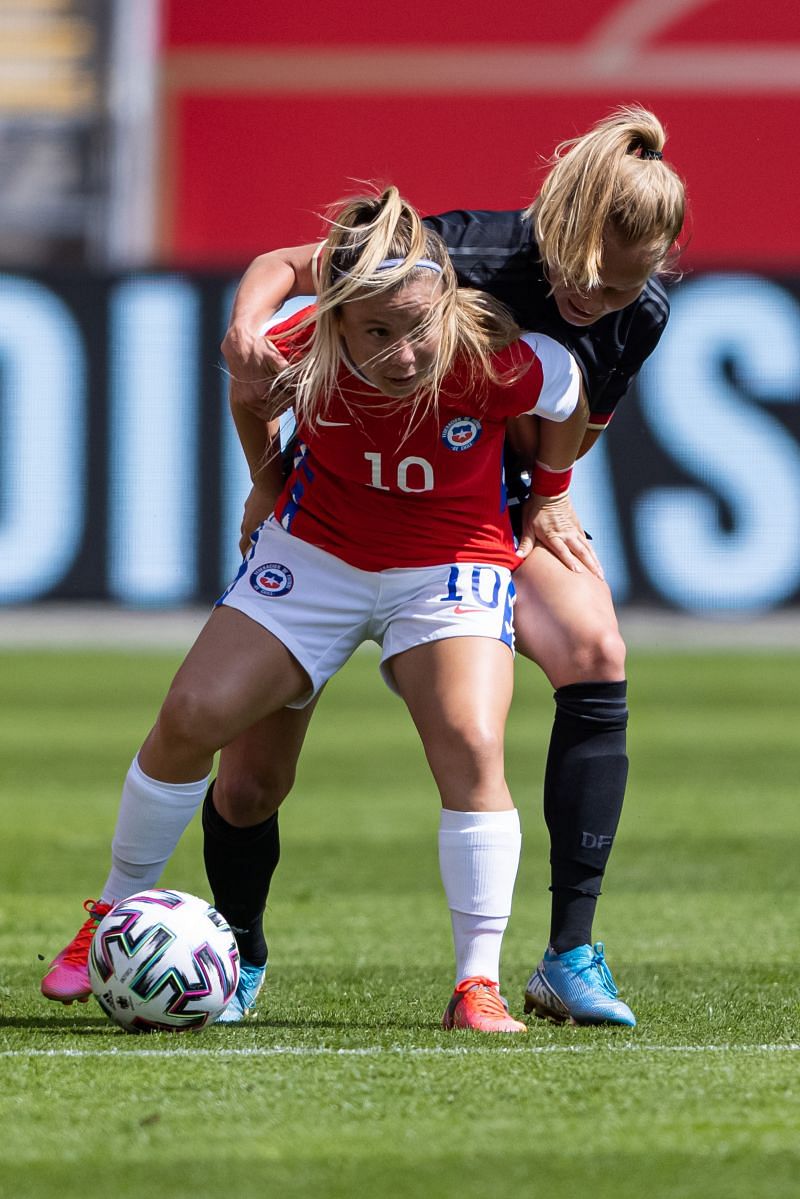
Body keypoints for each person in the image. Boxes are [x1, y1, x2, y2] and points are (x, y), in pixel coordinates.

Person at [41, 186, 596, 1032]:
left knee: (473, 737)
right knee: (204, 728)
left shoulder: (489, 356)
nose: (407, 352)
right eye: (379, 331)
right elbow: (247, 387)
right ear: (338, 320)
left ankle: (475, 985)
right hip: (317, 556)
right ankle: (107, 920)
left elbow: (569, 392)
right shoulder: (301, 346)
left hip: (447, 565)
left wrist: (550, 496)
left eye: (419, 325)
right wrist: (266, 480)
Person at [200, 105, 686, 1026]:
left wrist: (548, 495)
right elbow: (290, 268)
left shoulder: (641, 311)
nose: (601, 303)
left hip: (474, 518)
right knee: (250, 776)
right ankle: (241, 949)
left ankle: (568, 955)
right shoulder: (456, 248)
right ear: (559, 220)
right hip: (345, 513)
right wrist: (251, 346)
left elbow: (576, 407)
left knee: (597, 646)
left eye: (624, 293)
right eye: (590, 281)